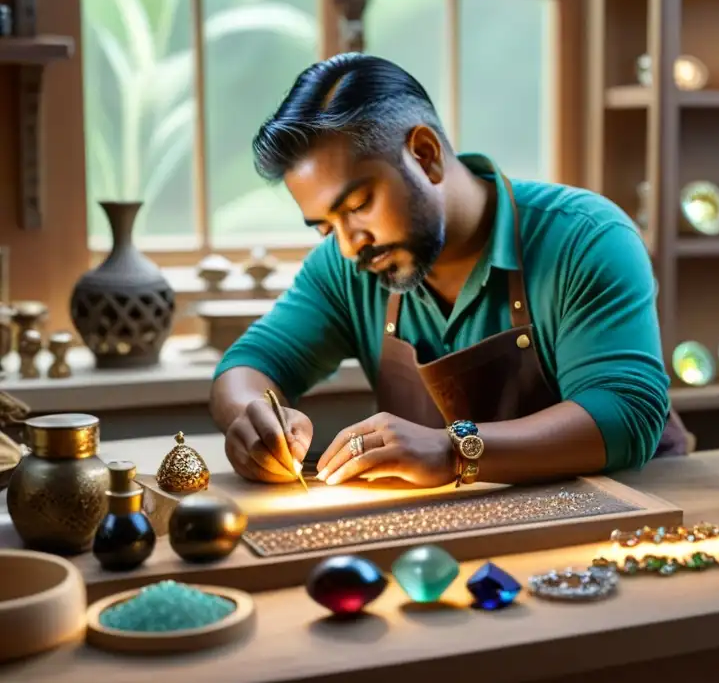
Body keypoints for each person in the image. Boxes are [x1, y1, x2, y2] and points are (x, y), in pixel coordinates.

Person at [209, 53, 687, 489]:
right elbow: (250, 364)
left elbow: (625, 413)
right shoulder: (347, 265)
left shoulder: (586, 237)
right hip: (464, 524)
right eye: (324, 227)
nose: (352, 245)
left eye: (357, 205)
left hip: (632, 511)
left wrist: (452, 448)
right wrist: (253, 415)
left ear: (425, 154)